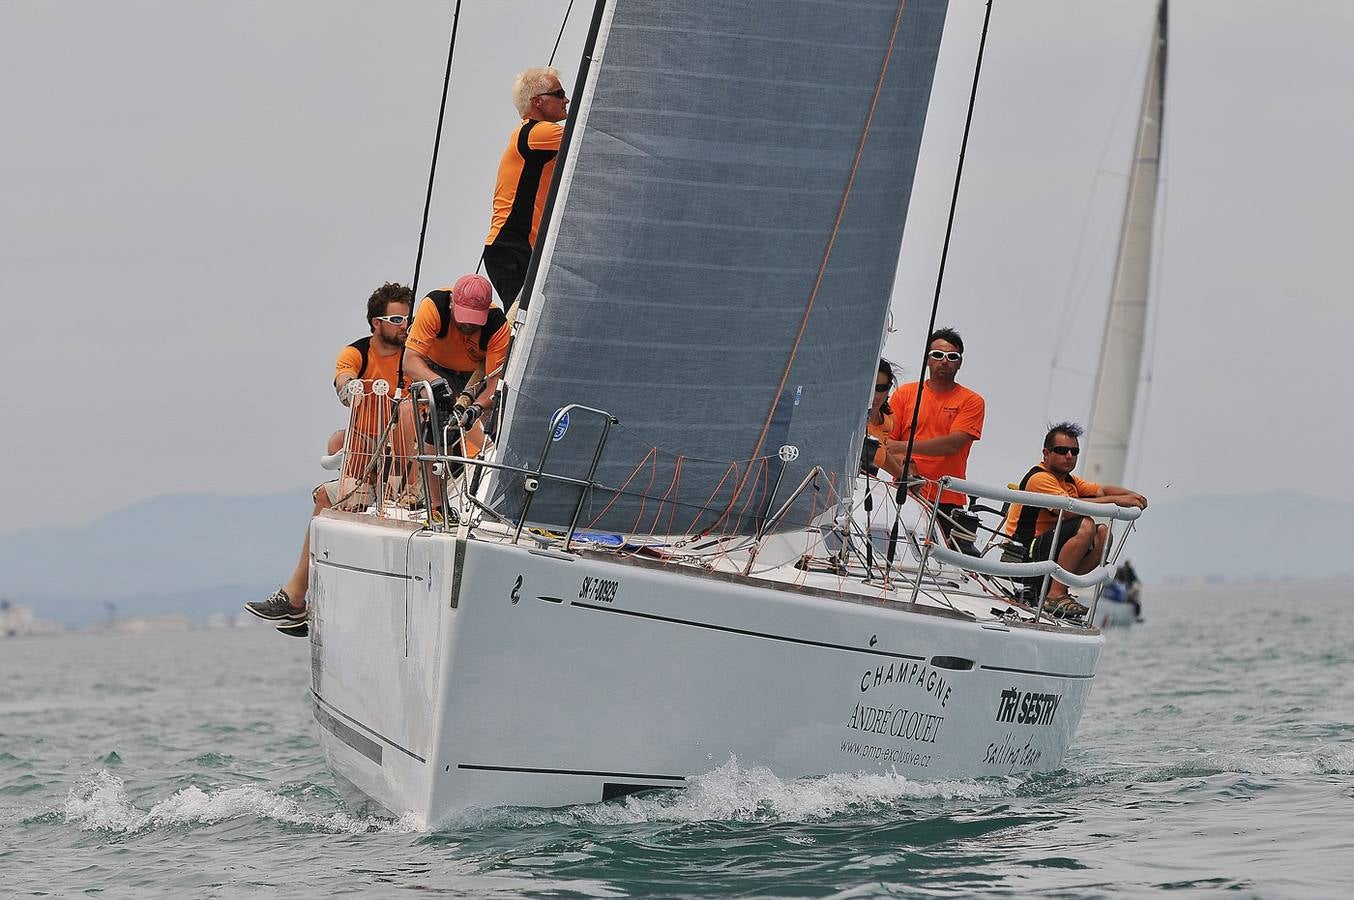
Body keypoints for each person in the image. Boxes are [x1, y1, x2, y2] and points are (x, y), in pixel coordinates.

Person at [244, 283, 414, 637]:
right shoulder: (357, 353)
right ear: (375, 323)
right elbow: (343, 377)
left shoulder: (415, 357)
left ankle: (299, 600)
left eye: (408, 319)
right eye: (396, 318)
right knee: (330, 476)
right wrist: (350, 389)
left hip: (408, 463)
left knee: (347, 455)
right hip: (369, 456)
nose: (404, 325)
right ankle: (297, 598)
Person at [1003, 422, 1148, 619]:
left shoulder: (1070, 480)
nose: (1069, 456)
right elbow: (1069, 509)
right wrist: (1118, 501)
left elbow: (1102, 491)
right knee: (1085, 524)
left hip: (1049, 550)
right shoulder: (1040, 478)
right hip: (1024, 551)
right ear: (1046, 453)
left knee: (1103, 532)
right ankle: (1056, 594)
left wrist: (1134, 496)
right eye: (1062, 450)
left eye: (1074, 451)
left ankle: (1059, 588)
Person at [886, 328, 985, 550]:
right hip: (905, 491)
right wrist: (904, 463)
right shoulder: (905, 394)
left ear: (960, 363)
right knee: (896, 551)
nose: (944, 361)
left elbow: (953, 444)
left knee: (943, 563)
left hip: (947, 498)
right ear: (928, 359)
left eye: (952, 357)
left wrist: (904, 447)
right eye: (938, 355)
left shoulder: (972, 401)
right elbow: (886, 443)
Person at [482, 66, 569, 304]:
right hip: (511, 247)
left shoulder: (534, 133)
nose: (567, 99)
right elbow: (590, 137)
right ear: (538, 102)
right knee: (525, 318)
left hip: (518, 248)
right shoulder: (539, 133)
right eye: (559, 94)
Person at [402, 274, 512, 435]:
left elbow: (495, 381)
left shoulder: (497, 326)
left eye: (475, 319)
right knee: (440, 412)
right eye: (464, 315)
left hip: (474, 375)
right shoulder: (434, 306)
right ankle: (433, 455)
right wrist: (437, 382)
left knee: (495, 417)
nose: (468, 324)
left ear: (487, 310)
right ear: (452, 302)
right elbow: (410, 361)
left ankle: (498, 453)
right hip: (433, 368)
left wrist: (477, 407)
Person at [864, 359, 908, 479]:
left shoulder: (887, 422)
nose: (875, 394)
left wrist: (903, 478)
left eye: (880, 388)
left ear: (889, 388)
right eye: (870, 387)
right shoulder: (852, 421)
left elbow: (881, 451)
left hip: (863, 492)